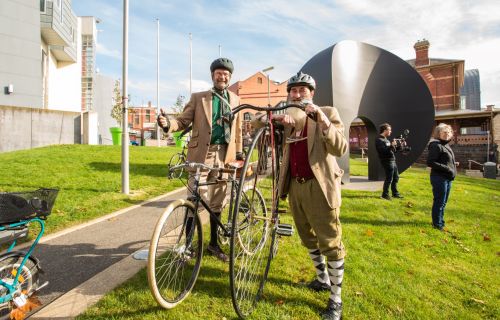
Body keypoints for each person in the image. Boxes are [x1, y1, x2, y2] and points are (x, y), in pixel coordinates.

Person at [257, 72, 347, 320]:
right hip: (294, 186)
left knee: (330, 242)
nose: (297, 95)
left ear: (312, 93)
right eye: (293, 91)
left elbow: (340, 147)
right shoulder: (288, 113)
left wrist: (322, 121)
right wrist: (273, 119)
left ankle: (336, 300)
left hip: (320, 186)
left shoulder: (328, 112)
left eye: (302, 91)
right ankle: (322, 279)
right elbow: (256, 121)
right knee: (307, 238)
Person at [157, 57, 243, 262]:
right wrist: (167, 123)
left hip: (225, 155)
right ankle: (187, 246)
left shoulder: (235, 100)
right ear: (213, 76)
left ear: (229, 77)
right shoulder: (199, 98)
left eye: (226, 74)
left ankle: (214, 244)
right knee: (195, 199)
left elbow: (238, 130)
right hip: (202, 154)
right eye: (218, 73)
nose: (222, 76)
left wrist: (239, 154)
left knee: (218, 201)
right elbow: (182, 120)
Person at [427, 123, 458, 231]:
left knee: (443, 202)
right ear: (438, 133)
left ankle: (440, 221)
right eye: (444, 132)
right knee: (439, 202)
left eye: (449, 132)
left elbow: (444, 160)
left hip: (447, 178)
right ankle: (437, 224)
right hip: (439, 178)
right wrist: (448, 168)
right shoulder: (436, 145)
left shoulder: (445, 145)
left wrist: (452, 165)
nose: (447, 134)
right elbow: (430, 162)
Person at [375, 123, 403, 200]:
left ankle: (395, 193)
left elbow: (392, 150)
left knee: (396, 177)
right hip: (387, 161)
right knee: (389, 178)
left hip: (392, 160)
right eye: (389, 130)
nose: (391, 131)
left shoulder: (386, 140)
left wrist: (399, 146)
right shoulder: (379, 140)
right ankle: (385, 194)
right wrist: (391, 145)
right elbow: (382, 151)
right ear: (385, 130)